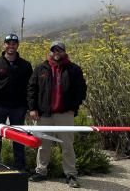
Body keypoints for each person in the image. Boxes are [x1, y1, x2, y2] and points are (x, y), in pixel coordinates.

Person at [28, 41, 87, 188]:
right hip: (44, 114)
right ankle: (41, 171)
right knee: (43, 145)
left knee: (67, 145)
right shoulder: (41, 68)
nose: (56, 53)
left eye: (59, 50)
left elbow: (81, 90)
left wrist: (73, 107)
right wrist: (32, 108)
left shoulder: (74, 69)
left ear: (64, 52)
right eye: (54, 50)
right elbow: (32, 89)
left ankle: (71, 174)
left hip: (65, 113)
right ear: (50, 52)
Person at [0, 33, 33, 171]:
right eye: (8, 43)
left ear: (17, 45)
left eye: (14, 44)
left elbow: (30, 87)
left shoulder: (25, 65)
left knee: (18, 138)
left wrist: (28, 106)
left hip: (18, 107)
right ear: (4, 45)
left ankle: (20, 167)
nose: (11, 46)